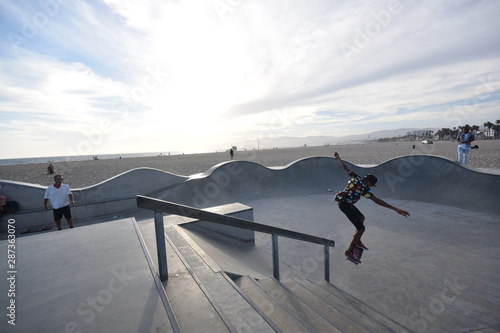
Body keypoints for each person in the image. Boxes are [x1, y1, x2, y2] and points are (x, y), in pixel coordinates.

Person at [333, 152, 410, 263]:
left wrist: (338, 158)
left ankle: (357, 241)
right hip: (345, 206)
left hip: (345, 203)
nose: (370, 187)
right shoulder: (364, 189)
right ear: (368, 181)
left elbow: (345, 167)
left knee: (362, 217)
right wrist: (395, 209)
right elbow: (376, 200)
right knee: (361, 229)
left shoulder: (355, 177)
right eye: (371, 185)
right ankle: (349, 251)